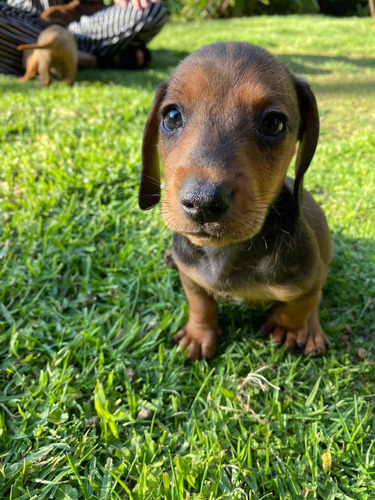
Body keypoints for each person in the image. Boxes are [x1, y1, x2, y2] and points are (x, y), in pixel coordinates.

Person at [0, 0, 166, 76]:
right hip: (21, 20)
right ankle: (104, 59)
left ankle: (59, 54)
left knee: (151, 10)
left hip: (80, 28)